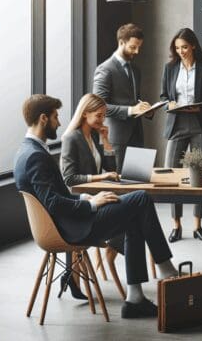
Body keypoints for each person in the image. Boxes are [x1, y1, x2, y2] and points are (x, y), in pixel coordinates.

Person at [14, 94, 178, 318]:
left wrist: (87, 200)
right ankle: (165, 269)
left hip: (70, 220)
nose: (59, 122)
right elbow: (53, 202)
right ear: (43, 118)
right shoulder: (35, 155)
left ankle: (135, 299)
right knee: (141, 198)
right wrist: (90, 203)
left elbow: (53, 197)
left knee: (134, 216)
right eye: (55, 117)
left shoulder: (27, 150)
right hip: (70, 227)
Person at [59, 93, 122, 300]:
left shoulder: (94, 135)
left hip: (96, 195)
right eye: (98, 115)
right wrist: (100, 176)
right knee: (124, 211)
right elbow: (69, 179)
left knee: (125, 208)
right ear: (85, 113)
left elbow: (112, 168)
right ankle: (114, 252)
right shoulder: (71, 138)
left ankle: (112, 252)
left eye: (104, 116)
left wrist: (106, 139)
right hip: (81, 201)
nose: (102, 120)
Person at [160, 28, 202, 244]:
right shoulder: (169, 68)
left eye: (184, 47)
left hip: (199, 125)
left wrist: (199, 108)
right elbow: (164, 95)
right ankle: (176, 225)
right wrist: (170, 103)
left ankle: (198, 226)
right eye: (177, 48)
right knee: (173, 174)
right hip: (176, 124)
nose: (181, 51)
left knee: (198, 177)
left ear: (193, 45)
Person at [93, 23, 152, 171]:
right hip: (117, 138)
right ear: (121, 42)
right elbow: (98, 107)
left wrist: (145, 109)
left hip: (137, 136)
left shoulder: (135, 70)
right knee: (118, 184)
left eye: (139, 47)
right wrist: (131, 110)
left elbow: (134, 100)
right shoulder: (105, 69)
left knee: (140, 180)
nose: (137, 51)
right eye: (133, 47)